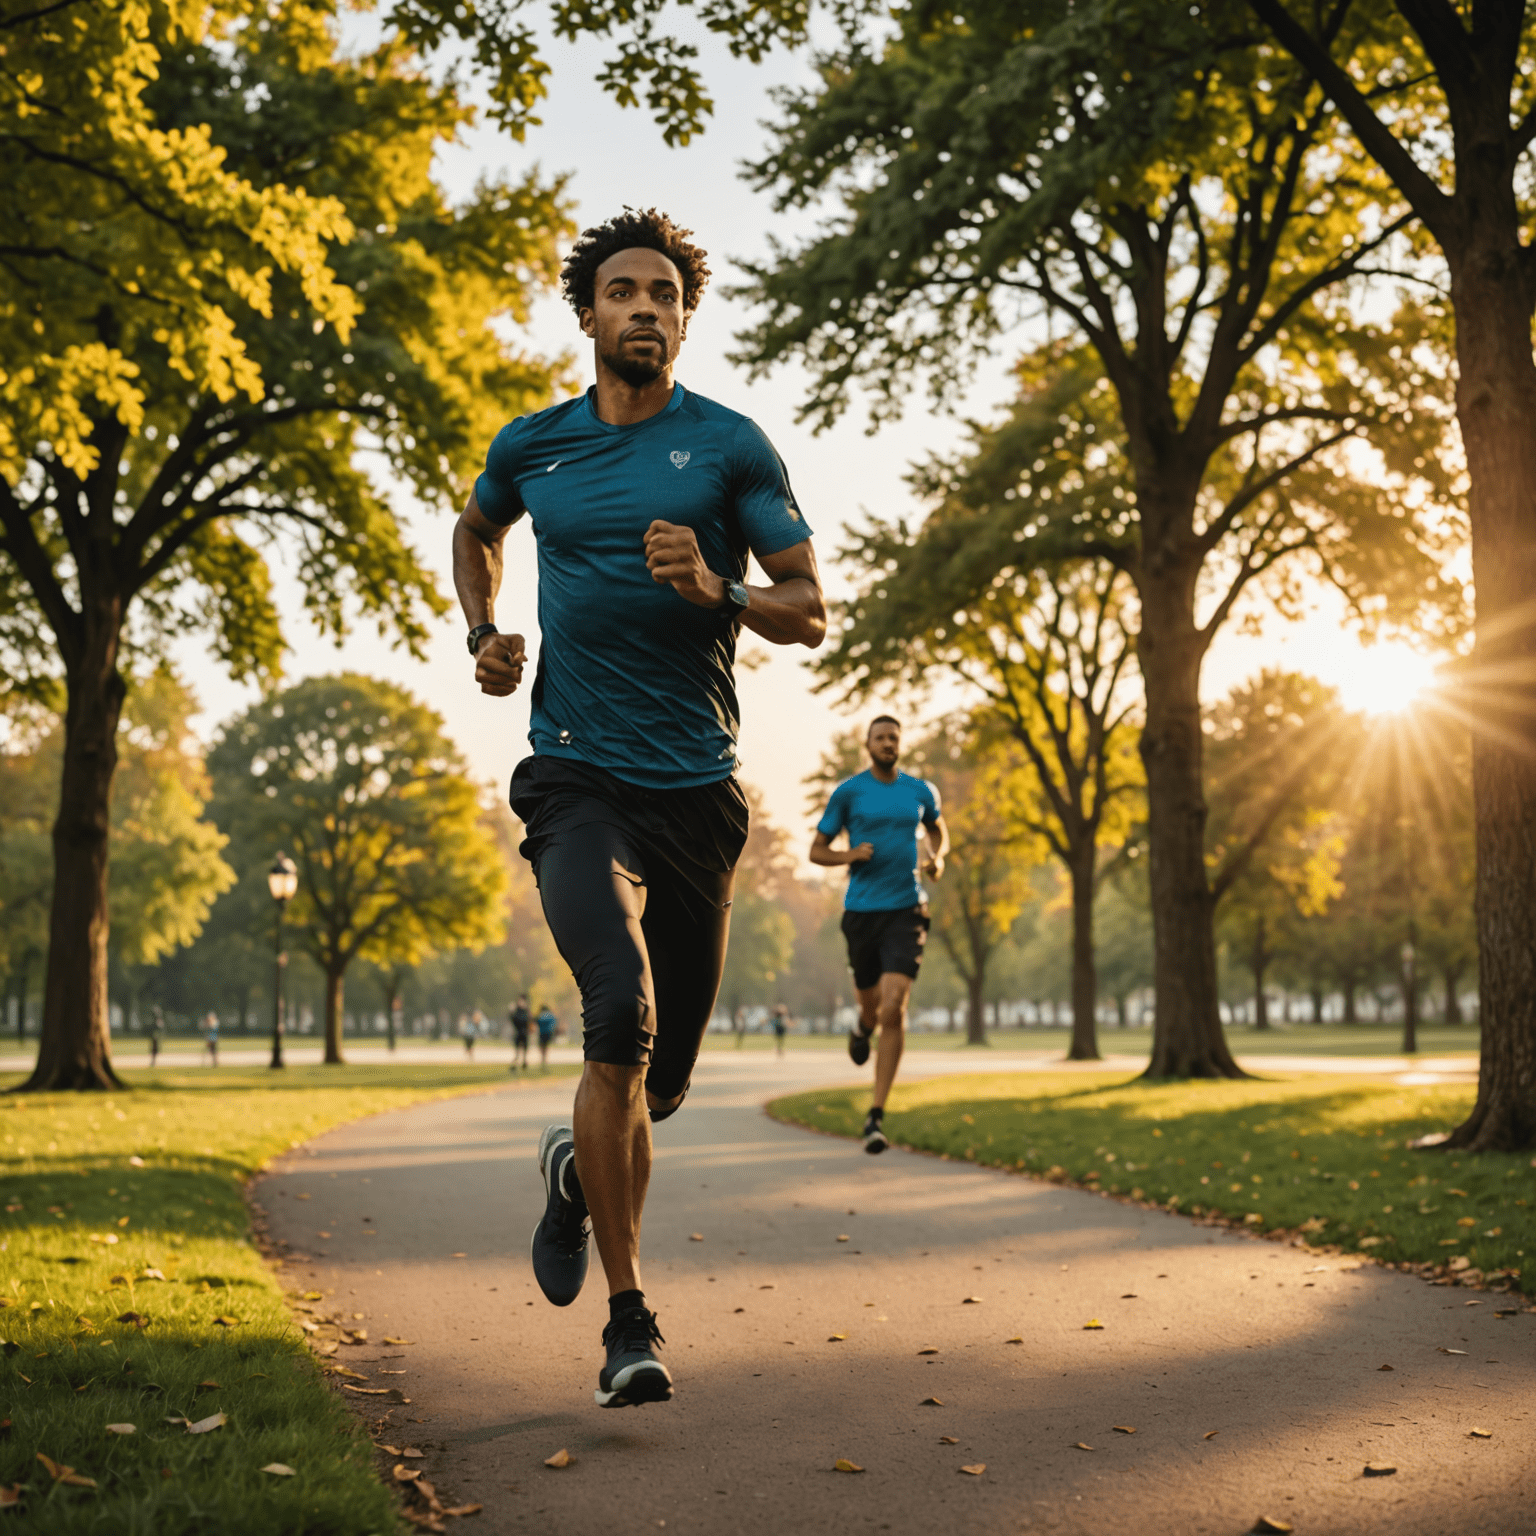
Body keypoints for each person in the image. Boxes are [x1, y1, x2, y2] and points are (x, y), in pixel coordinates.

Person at [452, 207, 824, 1409]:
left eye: (665, 294)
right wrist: (485, 633)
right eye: (625, 292)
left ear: (683, 318)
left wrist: (718, 587)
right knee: (618, 1011)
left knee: (653, 1085)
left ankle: (576, 1172)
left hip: (698, 792)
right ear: (589, 314)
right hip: (574, 773)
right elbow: (475, 527)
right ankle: (628, 1320)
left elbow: (808, 607)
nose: (646, 309)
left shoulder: (729, 448)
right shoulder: (535, 446)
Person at [811, 716, 947, 1153]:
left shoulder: (920, 791)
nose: (888, 743)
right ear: (868, 744)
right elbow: (815, 850)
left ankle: (876, 1115)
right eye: (880, 738)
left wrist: (937, 857)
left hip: (906, 909)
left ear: (900, 744)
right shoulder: (849, 793)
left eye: (894, 738)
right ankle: (860, 1028)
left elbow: (938, 830)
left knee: (895, 1006)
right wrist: (849, 854)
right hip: (862, 913)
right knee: (871, 1007)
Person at [509, 995, 531, 1072]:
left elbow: (528, 1021)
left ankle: (524, 1063)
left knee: (524, 1049)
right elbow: (513, 1020)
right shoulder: (517, 1010)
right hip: (518, 1032)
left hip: (524, 1032)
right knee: (517, 1050)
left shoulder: (526, 1011)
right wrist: (511, 1012)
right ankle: (516, 1064)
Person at [535, 1003, 558, 1071]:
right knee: (546, 1047)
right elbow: (554, 1024)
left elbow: (537, 1022)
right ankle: (544, 1060)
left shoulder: (540, 1015)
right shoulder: (551, 1015)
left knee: (542, 1047)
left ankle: (543, 1060)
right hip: (549, 1033)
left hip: (542, 1033)